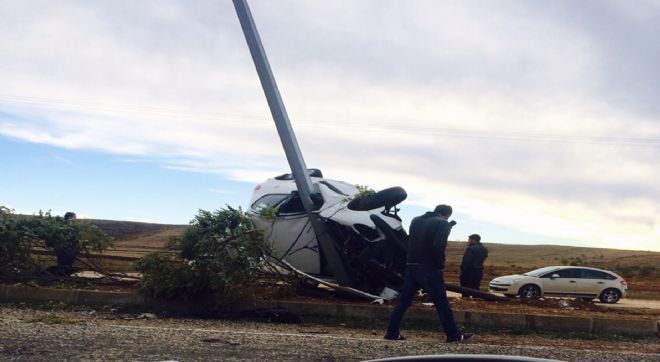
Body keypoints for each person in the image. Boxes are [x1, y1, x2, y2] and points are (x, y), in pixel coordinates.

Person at [384, 204, 473, 342]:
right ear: (447, 215)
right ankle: (453, 335)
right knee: (442, 304)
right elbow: (438, 246)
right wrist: (440, 265)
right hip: (429, 268)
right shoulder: (443, 223)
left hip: (411, 266)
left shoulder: (415, 220)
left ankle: (391, 333)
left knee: (403, 302)